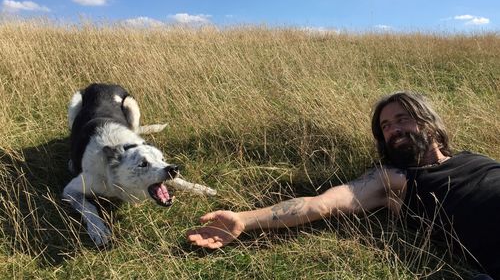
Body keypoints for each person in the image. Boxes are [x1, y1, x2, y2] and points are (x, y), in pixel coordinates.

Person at [186, 91, 500, 278]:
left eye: (402, 119)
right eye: (385, 126)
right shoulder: (394, 178)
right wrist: (244, 219)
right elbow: (320, 204)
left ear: (428, 122)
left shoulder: (475, 157)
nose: (392, 130)